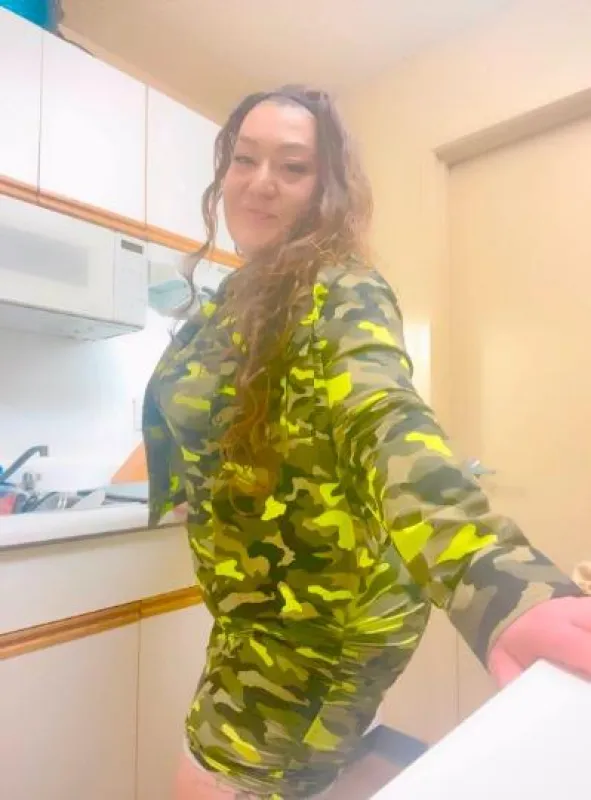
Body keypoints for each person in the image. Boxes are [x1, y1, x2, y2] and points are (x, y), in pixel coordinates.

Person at [142, 85, 591, 800]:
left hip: (316, 620)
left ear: (326, 188)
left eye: (292, 167)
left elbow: (384, 418)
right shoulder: (240, 293)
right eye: (244, 159)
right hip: (261, 607)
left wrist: (498, 582)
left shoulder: (339, 288)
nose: (261, 182)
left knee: (208, 782)